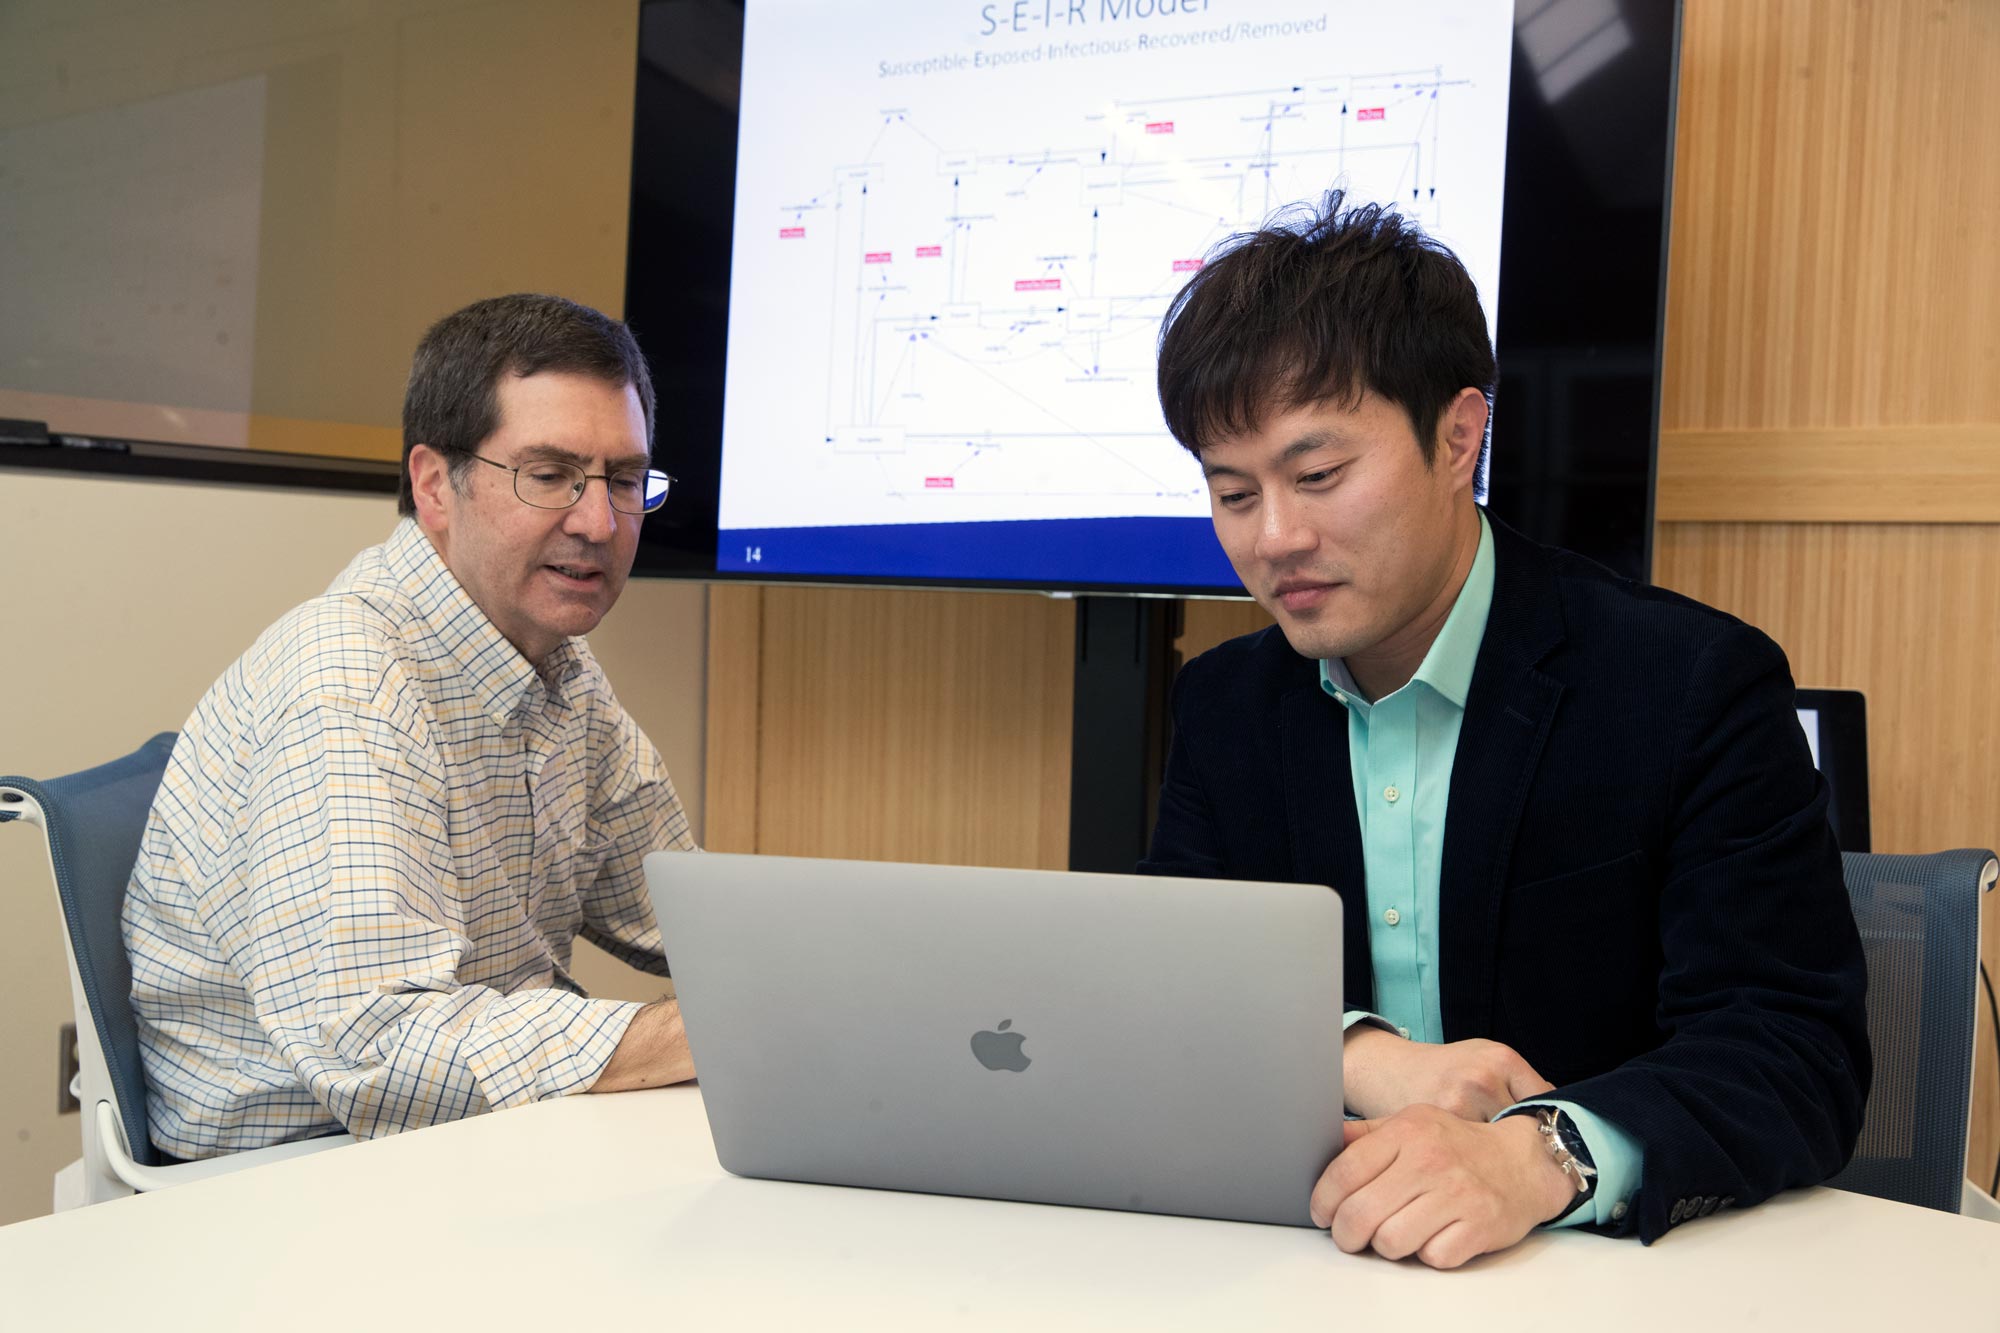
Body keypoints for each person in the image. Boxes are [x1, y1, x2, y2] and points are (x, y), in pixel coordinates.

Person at [1141, 193, 1869, 1266]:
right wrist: (1362, 1054)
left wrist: (1540, 1153)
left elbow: (1791, 1051)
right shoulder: (1224, 705)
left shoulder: (1685, 684)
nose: (1275, 537)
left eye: (1316, 475)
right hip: (1311, 1265)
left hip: (1612, 1274)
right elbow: (1175, 986)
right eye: (1231, 492)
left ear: (1457, 436)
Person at [125, 293, 697, 1159]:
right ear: (435, 484)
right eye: (549, 475)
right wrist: (675, 1037)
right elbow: (379, 1051)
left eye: (624, 480)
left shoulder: (557, 663)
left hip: (461, 1144)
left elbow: (686, 911)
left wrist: (857, 977)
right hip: (290, 1180)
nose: (599, 522)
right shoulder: (347, 682)